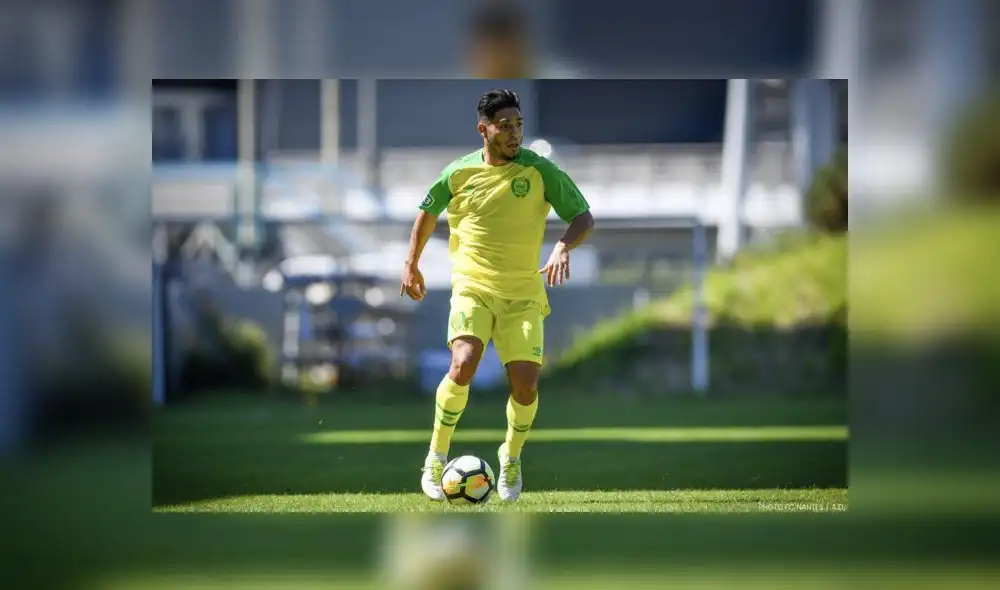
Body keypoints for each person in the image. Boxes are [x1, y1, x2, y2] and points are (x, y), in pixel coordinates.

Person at [400, 89, 595, 502]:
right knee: (464, 362)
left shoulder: (540, 171)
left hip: (523, 293)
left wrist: (563, 246)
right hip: (473, 287)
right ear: (483, 129)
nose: (514, 134)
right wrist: (411, 263)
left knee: (524, 386)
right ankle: (436, 456)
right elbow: (427, 212)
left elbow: (583, 216)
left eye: (519, 125)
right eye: (505, 126)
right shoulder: (457, 173)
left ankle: (512, 456)